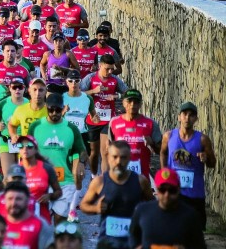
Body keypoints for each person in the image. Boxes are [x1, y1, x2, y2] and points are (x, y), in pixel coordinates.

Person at [80, 141, 154, 249]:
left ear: (129, 158)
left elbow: (153, 205)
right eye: (115, 157)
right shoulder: (99, 182)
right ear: (108, 157)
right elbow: (83, 205)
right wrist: (96, 208)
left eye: (123, 157)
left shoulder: (141, 181)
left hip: (133, 242)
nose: (118, 161)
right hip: (107, 242)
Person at [160, 101, 216, 229]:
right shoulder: (169, 136)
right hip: (173, 192)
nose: (187, 118)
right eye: (184, 114)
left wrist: (206, 158)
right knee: (172, 229)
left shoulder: (203, 139)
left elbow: (212, 164)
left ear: (196, 119)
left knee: (195, 232)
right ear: (179, 116)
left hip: (195, 194)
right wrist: (164, 172)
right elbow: (163, 153)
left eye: (191, 115)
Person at [128, 168, 206, 248]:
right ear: (156, 190)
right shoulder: (142, 211)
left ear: (178, 189)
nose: (167, 195)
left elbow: (200, 245)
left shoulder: (191, 216)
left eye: (171, 190)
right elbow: (132, 236)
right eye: (162, 190)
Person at [80, 54, 128, 175]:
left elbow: (128, 93)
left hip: (108, 120)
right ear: (100, 66)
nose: (110, 71)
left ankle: (104, 180)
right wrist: (93, 91)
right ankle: (94, 176)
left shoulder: (115, 80)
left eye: (112, 68)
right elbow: (79, 94)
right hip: (93, 120)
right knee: (93, 152)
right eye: (107, 69)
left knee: (105, 151)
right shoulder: (90, 78)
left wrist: (117, 96)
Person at [0, 182, 54, 249]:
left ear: (28, 200)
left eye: (18, 199)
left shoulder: (41, 225)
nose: (13, 203)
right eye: (10, 199)